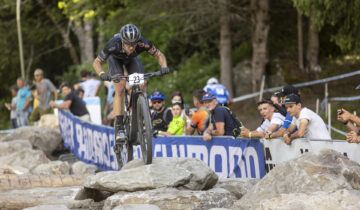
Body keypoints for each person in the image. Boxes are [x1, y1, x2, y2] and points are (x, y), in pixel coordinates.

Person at [93, 24, 169, 141]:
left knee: (142, 83)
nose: (132, 47)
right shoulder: (113, 44)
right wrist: (102, 73)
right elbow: (97, 62)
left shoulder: (143, 43)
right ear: (122, 41)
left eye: (134, 44)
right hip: (115, 60)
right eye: (128, 44)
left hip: (132, 60)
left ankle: (144, 118)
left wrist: (164, 66)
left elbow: (159, 55)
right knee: (120, 88)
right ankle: (119, 127)